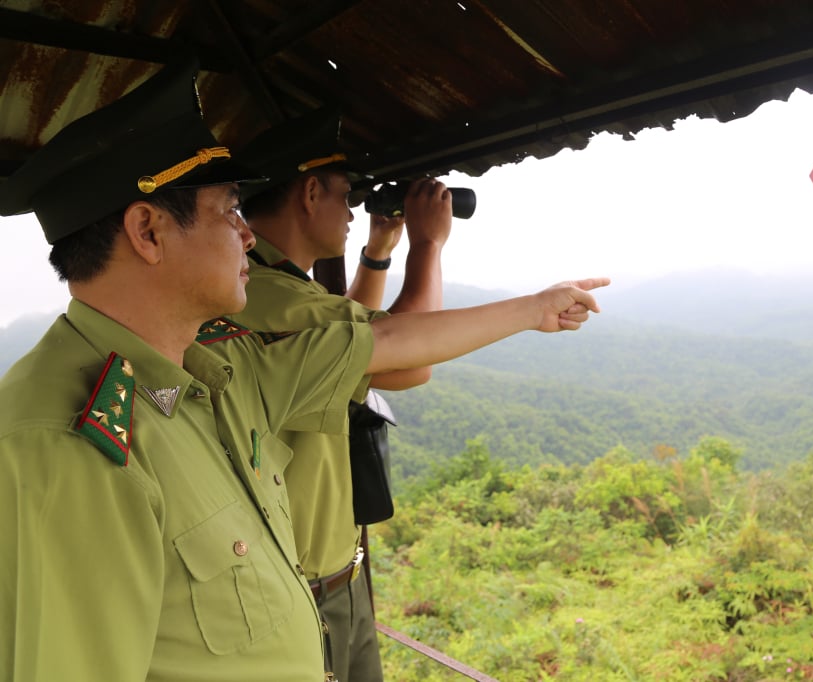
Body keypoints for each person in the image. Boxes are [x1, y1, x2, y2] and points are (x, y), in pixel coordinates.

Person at [0, 60, 607, 681]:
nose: (246, 235)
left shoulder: (220, 368)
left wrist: (535, 309)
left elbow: (385, 343)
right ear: (148, 231)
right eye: (228, 212)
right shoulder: (67, 443)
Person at [232, 106, 450, 680]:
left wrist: (379, 249)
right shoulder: (275, 298)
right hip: (308, 591)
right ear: (309, 193)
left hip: (338, 576)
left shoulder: (272, 284)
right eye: (346, 196)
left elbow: (350, 334)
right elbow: (409, 360)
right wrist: (428, 246)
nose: (354, 212)